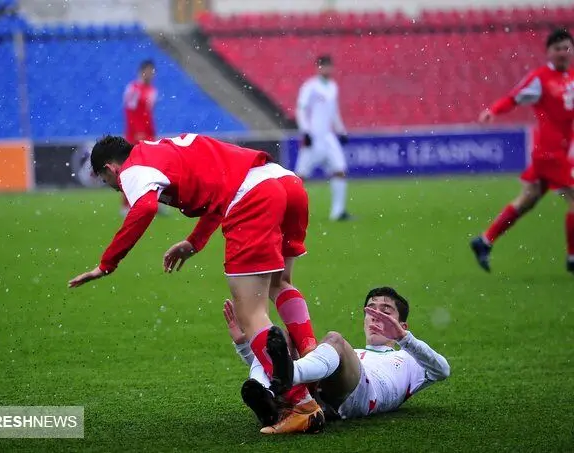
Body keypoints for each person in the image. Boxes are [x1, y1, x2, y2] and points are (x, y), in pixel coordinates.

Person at [68, 133, 323, 434]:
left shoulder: (133, 169)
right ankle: (311, 358)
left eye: (106, 182)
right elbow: (220, 188)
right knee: (280, 283)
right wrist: (194, 242)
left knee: (250, 314)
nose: (114, 187)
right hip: (284, 181)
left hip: (253, 196)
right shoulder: (161, 150)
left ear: (110, 169)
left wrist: (107, 264)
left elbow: (145, 209)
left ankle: (301, 404)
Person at [225, 287, 450, 432]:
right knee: (279, 336)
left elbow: (442, 370)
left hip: (365, 394)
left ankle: (282, 387)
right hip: (325, 395)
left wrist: (404, 339)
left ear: (403, 325)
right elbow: (275, 364)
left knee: (334, 339)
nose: (376, 315)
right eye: (371, 310)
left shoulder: (408, 357)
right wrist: (245, 345)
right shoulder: (350, 353)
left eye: (386, 311)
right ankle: (267, 396)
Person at [471, 29, 574, 274]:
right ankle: (572, 256)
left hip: (559, 153)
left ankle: (484, 240)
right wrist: (492, 111)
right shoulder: (541, 78)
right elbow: (513, 97)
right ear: (548, 52)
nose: (562, 52)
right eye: (557, 48)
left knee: (527, 200)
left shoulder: (570, 78)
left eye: (566, 47)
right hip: (549, 154)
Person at [296, 54, 351, 221]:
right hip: (313, 136)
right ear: (317, 68)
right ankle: (290, 213)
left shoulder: (333, 86)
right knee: (299, 178)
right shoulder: (310, 87)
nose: (326, 69)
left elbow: (334, 112)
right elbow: (301, 109)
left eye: (328, 66)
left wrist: (341, 130)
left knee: (340, 170)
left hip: (328, 137)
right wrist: (305, 131)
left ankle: (338, 212)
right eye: (323, 66)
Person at [121, 60, 159, 217]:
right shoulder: (134, 89)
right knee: (132, 170)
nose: (151, 74)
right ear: (142, 71)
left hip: (148, 135)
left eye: (153, 71)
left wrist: (150, 132)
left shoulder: (151, 90)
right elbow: (130, 111)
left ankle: (154, 203)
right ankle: (126, 205)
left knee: (153, 171)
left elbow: (148, 114)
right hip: (136, 136)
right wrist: (137, 130)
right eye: (149, 71)